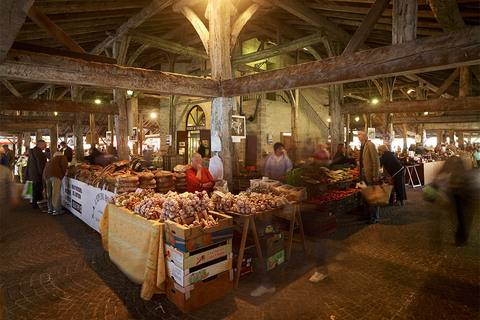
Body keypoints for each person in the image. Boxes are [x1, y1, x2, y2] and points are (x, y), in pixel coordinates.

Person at [435, 156, 476, 246]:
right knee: (463, 216)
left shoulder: (451, 162)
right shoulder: (460, 164)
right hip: (464, 191)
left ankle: (460, 239)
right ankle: (463, 238)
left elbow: (442, 172)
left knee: (460, 216)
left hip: (458, 192)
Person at [358, 131, 380, 224]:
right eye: (357, 134)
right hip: (363, 174)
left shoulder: (370, 145)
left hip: (370, 175)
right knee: (366, 196)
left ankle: (375, 217)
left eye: (360, 134)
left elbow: (376, 161)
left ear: (365, 136)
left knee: (372, 197)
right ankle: (367, 215)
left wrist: (375, 175)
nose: (358, 136)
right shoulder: (362, 146)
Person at [25, 140, 47, 210]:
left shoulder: (32, 151)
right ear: (40, 144)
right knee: (37, 190)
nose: (45, 146)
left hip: (33, 174)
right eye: (44, 145)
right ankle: (36, 204)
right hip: (37, 174)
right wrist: (43, 174)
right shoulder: (38, 153)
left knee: (35, 189)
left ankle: (35, 203)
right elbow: (40, 165)